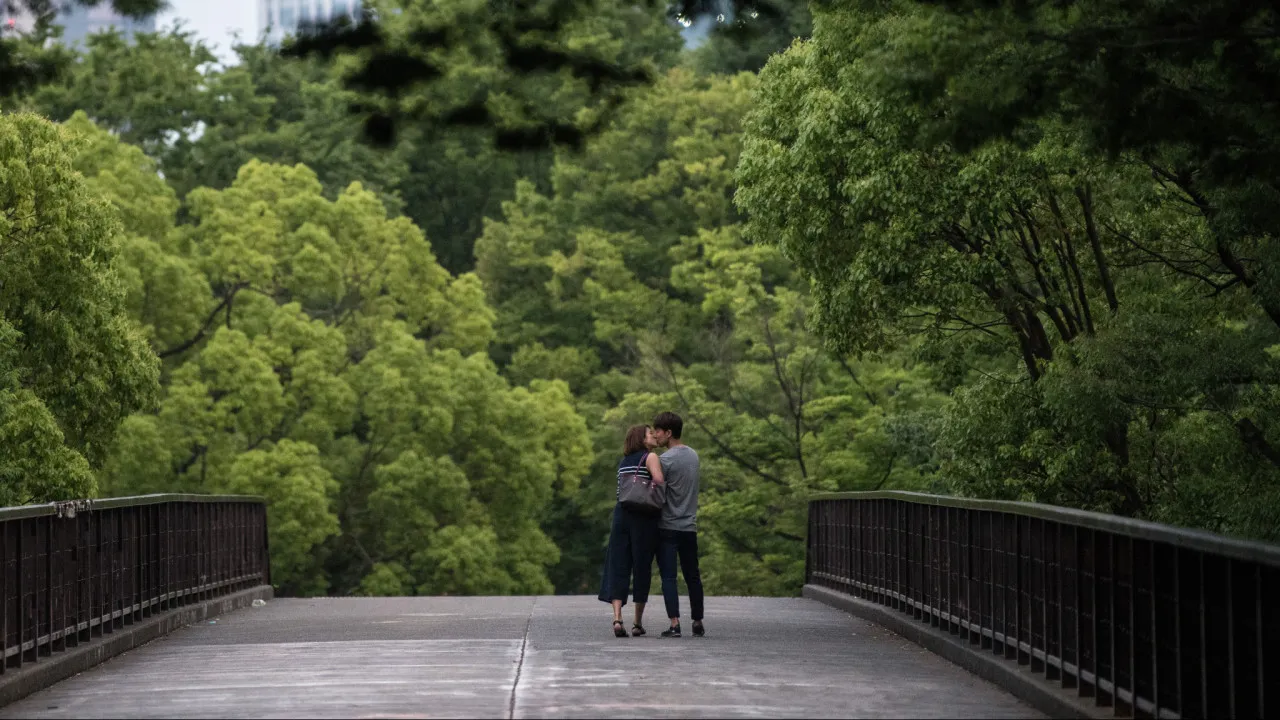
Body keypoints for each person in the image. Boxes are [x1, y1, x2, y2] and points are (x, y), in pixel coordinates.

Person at [597, 424, 665, 637]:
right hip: (643, 517)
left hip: (621, 514)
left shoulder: (623, 461)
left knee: (618, 564)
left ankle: (617, 618)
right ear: (641, 439)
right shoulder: (650, 457)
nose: (654, 435)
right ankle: (637, 622)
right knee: (641, 565)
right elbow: (659, 481)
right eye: (650, 433)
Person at [651, 411, 705, 638]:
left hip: (668, 526)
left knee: (669, 577)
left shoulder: (664, 460)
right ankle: (698, 620)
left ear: (669, 433)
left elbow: (656, 492)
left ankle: (675, 623)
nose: (655, 435)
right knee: (693, 574)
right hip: (689, 526)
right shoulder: (694, 456)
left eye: (658, 431)